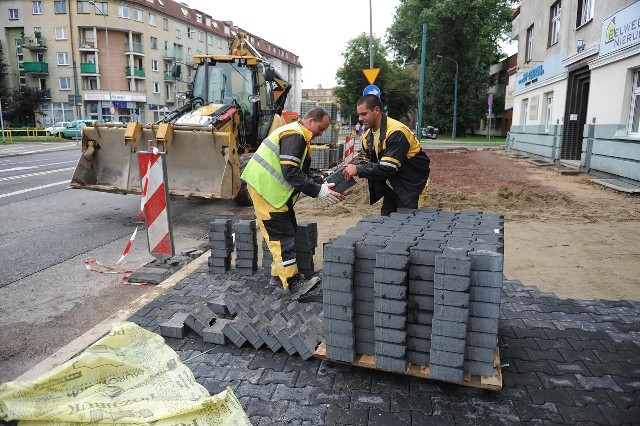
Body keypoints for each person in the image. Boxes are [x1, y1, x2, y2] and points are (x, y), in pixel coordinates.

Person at [241, 107, 345, 298]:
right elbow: (290, 172)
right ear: (311, 120)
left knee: (286, 231)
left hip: (274, 192)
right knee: (282, 238)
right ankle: (293, 284)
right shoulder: (294, 135)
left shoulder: (299, 136)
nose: (320, 133)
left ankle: (277, 276)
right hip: (266, 190)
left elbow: (302, 173)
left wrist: (322, 185)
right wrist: (317, 191)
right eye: (320, 128)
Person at [343, 94, 430, 216]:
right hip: (391, 185)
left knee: (408, 226)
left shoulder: (397, 132)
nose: (360, 119)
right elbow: (369, 163)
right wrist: (348, 180)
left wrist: (357, 169)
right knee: (386, 224)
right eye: (359, 114)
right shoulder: (368, 136)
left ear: (377, 110)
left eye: (364, 114)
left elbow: (388, 168)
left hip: (411, 187)